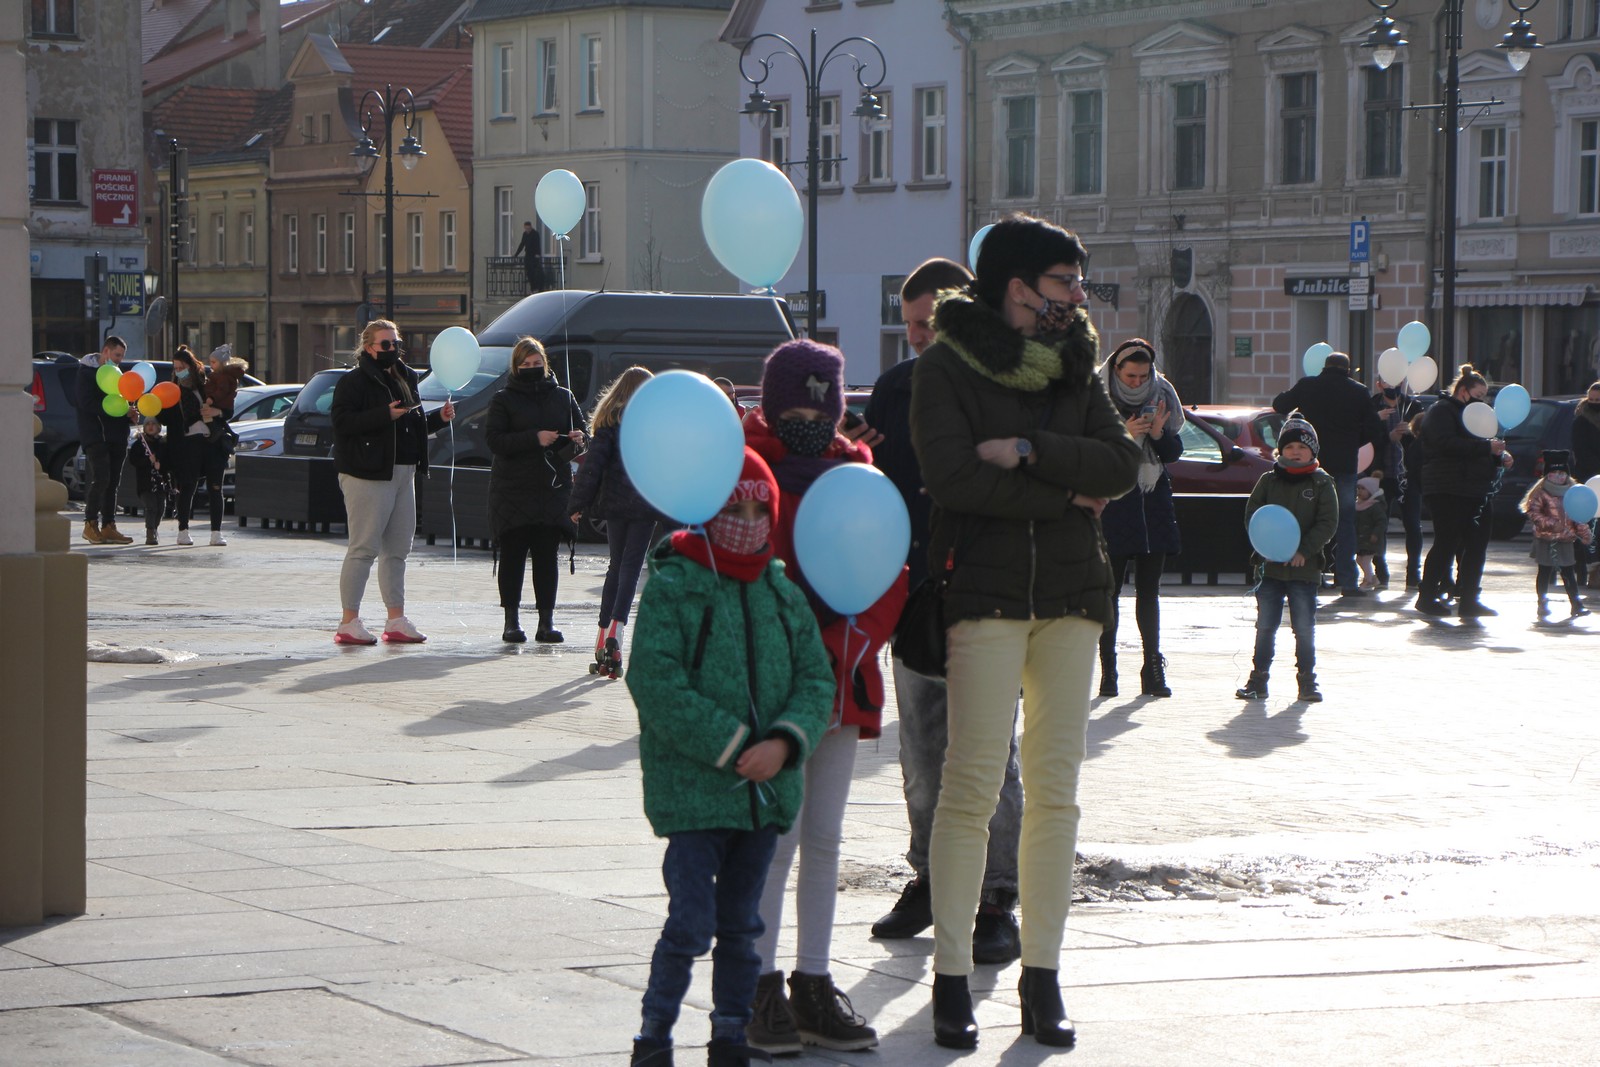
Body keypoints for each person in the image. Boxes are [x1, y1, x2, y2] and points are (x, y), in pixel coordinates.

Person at [910, 214, 1140, 1049]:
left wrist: (1030, 448)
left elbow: (1119, 466)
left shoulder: (1076, 364)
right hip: (984, 595)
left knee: (1056, 792)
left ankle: (1042, 975)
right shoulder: (944, 367)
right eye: (1065, 283)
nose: (1079, 298)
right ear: (1017, 289)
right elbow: (955, 481)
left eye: (1078, 283)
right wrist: (1064, 490)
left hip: (1073, 595)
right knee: (970, 787)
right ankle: (949, 976)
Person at [624, 448, 833, 1067]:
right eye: (733, 508)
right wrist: (734, 743)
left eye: (758, 508)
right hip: (694, 793)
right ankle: (654, 1036)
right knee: (689, 924)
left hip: (762, 796)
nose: (747, 519)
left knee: (743, 929)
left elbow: (815, 680)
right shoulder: (675, 584)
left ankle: (730, 1035)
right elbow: (656, 681)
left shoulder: (780, 589)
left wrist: (785, 741)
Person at [743, 339, 908, 1053]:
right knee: (775, 839)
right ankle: (758, 985)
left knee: (826, 838)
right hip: (774, 684)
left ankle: (813, 981)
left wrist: (858, 640)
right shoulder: (749, 471)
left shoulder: (856, 471)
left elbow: (884, 570)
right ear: (774, 401)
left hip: (843, 675)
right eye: (797, 403)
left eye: (822, 403)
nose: (809, 415)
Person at [861, 258, 1024, 968]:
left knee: (989, 753)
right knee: (923, 752)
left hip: (990, 591)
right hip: (916, 595)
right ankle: (929, 876)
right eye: (909, 325)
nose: (917, 336)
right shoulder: (895, 390)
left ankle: (994, 896)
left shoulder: (1004, 384)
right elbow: (873, 489)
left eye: (927, 324)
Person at [330, 319, 455, 645]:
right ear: (368, 348)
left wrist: (437, 420)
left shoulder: (405, 376)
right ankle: (348, 621)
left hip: (403, 470)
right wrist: (382, 415)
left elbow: (409, 423)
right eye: (385, 345)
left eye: (396, 344)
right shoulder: (354, 382)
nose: (392, 350)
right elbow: (342, 423)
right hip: (367, 472)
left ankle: (395, 619)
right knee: (364, 547)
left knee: (398, 548)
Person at [1096, 338, 1186, 697]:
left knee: (1149, 592)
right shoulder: (1096, 397)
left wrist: (1159, 434)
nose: (1137, 382)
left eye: (1143, 375)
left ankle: (1152, 671)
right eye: (1130, 375)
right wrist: (1125, 436)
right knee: (1109, 592)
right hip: (1113, 501)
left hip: (1152, 502)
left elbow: (1174, 453)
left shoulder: (1162, 393)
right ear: (1116, 369)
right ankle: (1109, 672)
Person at [487, 337, 586, 643]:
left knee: (547, 556)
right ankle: (511, 620)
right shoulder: (503, 399)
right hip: (513, 488)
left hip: (551, 488)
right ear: (516, 367)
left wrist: (579, 439)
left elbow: (583, 436)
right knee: (513, 555)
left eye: (537, 363)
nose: (532, 369)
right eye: (525, 365)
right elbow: (495, 441)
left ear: (546, 363)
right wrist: (534, 438)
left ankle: (547, 620)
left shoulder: (563, 396)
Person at [1235, 411, 1338, 703]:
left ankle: (1307, 681)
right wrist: (1269, 547)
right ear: (1281, 450)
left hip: (1304, 571)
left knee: (1304, 628)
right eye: (1290, 447)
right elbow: (1253, 516)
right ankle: (1258, 681)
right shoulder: (1268, 480)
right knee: (1265, 626)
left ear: (1312, 451)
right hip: (1270, 569)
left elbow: (1328, 522)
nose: (1295, 452)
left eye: (1302, 447)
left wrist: (1304, 550)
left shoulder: (1321, 483)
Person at [569, 366, 664, 676]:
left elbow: (591, 468)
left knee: (615, 566)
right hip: (644, 506)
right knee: (632, 569)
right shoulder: (652, 426)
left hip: (614, 506)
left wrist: (578, 502)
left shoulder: (608, 424)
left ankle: (601, 636)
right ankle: (616, 634)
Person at [1273, 353, 1386, 597]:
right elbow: (1374, 431)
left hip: (1311, 463)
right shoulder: (1358, 391)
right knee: (1344, 522)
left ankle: (1308, 575)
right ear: (1348, 370)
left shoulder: (1308, 385)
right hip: (1344, 464)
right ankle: (1346, 581)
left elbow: (1279, 404)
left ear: (1324, 367)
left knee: (1309, 517)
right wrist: (1352, 440)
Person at [1415, 364, 1513, 619]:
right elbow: (1444, 444)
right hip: (1447, 487)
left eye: (1484, 397)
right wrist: (1485, 450)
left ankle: (1469, 598)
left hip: (1476, 488)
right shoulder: (1442, 411)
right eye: (1478, 395)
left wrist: (1498, 457)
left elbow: (1480, 446)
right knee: (1447, 542)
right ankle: (1426, 596)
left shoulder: (1476, 415)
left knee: (1477, 545)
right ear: (1462, 390)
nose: (1482, 401)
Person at [74, 335, 134, 545]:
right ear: (106, 351)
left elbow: (122, 400)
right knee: (101, 478)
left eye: (121, 356)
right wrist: (114, 411)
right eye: (117, 355)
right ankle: (90, 524)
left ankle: (109, 525)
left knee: (113, 483)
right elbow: (86, 403)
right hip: (96, 434)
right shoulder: (87, 373)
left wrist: (129, 412)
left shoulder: (117, 374)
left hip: (117, 435)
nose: (119, 360)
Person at [160, 345, 221, 548]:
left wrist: (215, 412)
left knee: (215, 486)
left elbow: (224, 407)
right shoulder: (174, 390)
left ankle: (216, 533)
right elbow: (166, 418)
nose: (178, 371)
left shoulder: (204, 385)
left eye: (182, 366)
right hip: (187, 443)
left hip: (210, 440)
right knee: (188, 486)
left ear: (191, 365)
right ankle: (183, 530)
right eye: (175, 368)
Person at [1519, 450, 1593, 618]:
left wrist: (1584, 532)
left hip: (1566, 539)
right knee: (1544, 571)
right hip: (1546, 538)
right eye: (1554, 473)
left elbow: (1577, 515)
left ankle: (1576, 604)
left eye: (1562, 473)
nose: (1559, 477)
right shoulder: (1541, 493)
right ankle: (1542, 603)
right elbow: (1533, 513)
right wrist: (1551, 524)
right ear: (1547, 475)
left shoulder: (1573, 492)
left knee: (1568, 572)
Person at [1371, 381, 1424, 590]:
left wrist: (1411, 432)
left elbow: (1425, 434)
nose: (1393, 385)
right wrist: (1386, 435)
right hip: (1380, 473)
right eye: (1387, 381)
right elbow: (1363, 436)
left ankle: (1413, 573)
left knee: (1412, 524)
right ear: (1379, 384)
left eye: (1397, 380)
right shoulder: (1372, 406)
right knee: (1378, 523)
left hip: (1407, 474)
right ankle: (1380, 570)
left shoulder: (1413, 406)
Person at [1571, 381, 1600, 587]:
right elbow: (1581, 452)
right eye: (1591, 400)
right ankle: (1583, 571)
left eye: (1598, 400)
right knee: (1585, 528)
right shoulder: (1581, 422)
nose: (1594, 403)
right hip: (1588, 479)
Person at [127, 417, 172, 546]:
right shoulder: (139, 444)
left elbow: (168, 461)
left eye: (154, 424)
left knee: (160, 508)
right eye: (148, 424)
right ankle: (150, 532)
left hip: (160, 482)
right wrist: (148, 461)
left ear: (158, 427)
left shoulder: (162, 443)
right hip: (146, 483)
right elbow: (134, 461)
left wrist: (161, 465)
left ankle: (155, 527)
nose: (151, 426)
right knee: (151, 507)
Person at [1354, 477, 1387, 590]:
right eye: (1358, 488)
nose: (1359, 491)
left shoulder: (1375, 506)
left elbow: (1381, 522)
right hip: (1362, 539)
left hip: (1371, 540)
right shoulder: (1359, 505)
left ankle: (1368, 580)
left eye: (1363, 489)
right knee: (1359, 559)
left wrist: (1376, 534)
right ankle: (1373, 578)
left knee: (1366, 560)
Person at [512, 221, 548, 294]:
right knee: (529, 273)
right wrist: (516, 254)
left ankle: (537, 288)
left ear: (531, 227)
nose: (527, 230)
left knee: (535, 273)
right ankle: (533, 288)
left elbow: (537, 245)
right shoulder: (525, 234)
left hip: (534, 256)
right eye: (526, 228)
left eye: (528, 228)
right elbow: (522, 244)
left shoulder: (535, 234)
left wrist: (538, 254)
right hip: (528, 255)